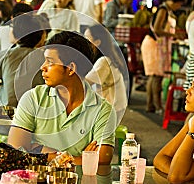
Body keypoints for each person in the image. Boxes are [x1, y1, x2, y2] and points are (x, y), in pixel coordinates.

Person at [7, 31, 116, 166]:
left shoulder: (102, 110)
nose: (42, 67)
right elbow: (15, 150)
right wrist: (81, 158)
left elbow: (103, 158)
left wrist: (41, 151)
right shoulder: (33, 98)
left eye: (50, 62)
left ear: (70, 68)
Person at [0, 13, 47, 107]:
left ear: (16, 34)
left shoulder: (2, 56)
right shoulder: (46, 58)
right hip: (37, 111)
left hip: (7, 113)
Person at [141, 0, 187, 113]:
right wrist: (173, 36)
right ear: (173, 1)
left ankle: (151, 105)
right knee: (156, 76)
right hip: (154, 44)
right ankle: (157, 106)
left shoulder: (167, 11)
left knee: (154, 76)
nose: (179, 7)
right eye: (179, 4)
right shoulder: (163, 10)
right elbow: (157, 29)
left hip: (156, 44)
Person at [84, 25, 128, 125]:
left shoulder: (104, 61)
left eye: (87, 38)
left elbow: (85, 83)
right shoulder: (107, 57)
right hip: (114, 106)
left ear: (97, 42)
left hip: (112, 108)